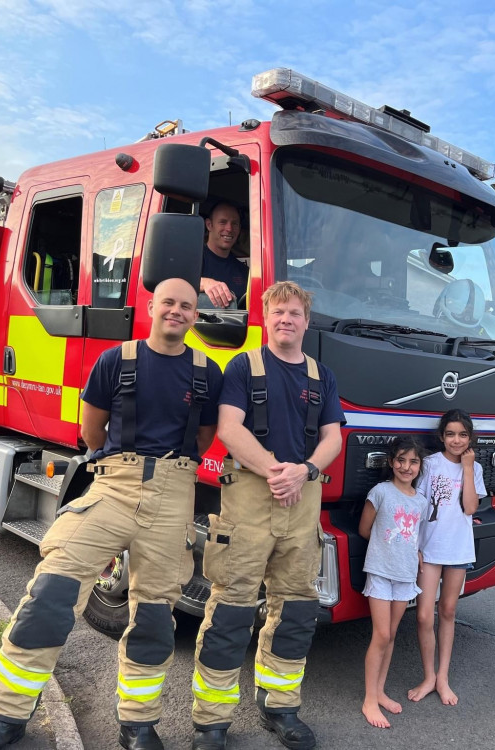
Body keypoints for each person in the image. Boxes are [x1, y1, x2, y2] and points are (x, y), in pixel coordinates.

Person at [0, 278, 223, 750]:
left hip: (173, 495)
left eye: (187, 306)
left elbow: (204, 439)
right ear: (152, 306)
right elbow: (91, 431)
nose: (177, 312)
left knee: (154, 615)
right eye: (169, 302)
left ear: (194, 314)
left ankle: (138, 724)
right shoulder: (116, 361)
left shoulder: (208, 372)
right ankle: (6, 715)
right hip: (113, 485)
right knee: (52, 587)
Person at [190, 281, 344, 750]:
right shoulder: (243, 366)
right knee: (232, 607)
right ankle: (212, 721)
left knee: (297, 608)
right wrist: (277, 471)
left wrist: (306, 471)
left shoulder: (322, 376)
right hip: (251, 501)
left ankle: (280, 706)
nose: (287, 320)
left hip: (302, 502)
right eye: (278, 312)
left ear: (306, 320)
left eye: (295, 313)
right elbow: (229, 428)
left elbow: (333, 436)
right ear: (265, 316)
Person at [408, 409, 486, 706]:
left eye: (463, 435)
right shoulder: (429, 464)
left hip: (457, 548)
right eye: (451, 434)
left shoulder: (473, 468)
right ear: (442, 436)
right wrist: (414, 545)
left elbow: (469, 508)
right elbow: (417, 505)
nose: (456, 440)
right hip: (430, 548)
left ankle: (443, 677)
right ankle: (428, 676)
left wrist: (467, 468)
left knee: (449, 611)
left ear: (470, 438)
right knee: (425, 614)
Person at [358, 436, 426, 729]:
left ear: (420, 465)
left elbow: (416, 537)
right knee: (381, 634)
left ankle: (379, 691)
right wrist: (386, 550)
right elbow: (364, 529)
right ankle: (368, 700)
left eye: (413, 461)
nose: (406, 466)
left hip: (405, 575)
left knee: (392, 634)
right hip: (381, 571)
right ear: (391, 462)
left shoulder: (421, 501)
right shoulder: (381, 492)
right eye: (401, 460)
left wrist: (416, 553)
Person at [199, 202, 248, 308]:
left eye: (234, 224)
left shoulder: (244, 272)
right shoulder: (192, 258)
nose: (229, 229)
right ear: (209, 225)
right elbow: (172, 284)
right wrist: (204, 283)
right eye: (222, 222)